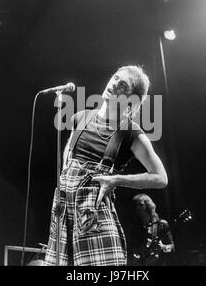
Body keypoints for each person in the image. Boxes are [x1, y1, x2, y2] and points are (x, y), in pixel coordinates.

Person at [43, 65, 168, 266]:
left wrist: (116, 180)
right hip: (63, 210)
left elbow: (161, 178)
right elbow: (68, 156)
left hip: (94, 214)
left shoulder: (131, 133)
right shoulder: (81, 118)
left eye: (123, 85)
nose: (115, 83)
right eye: (115, 77)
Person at [128, 193, 175, 266]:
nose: (137, 208)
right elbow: (131, 248)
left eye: (141, 205)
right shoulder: (135, 227)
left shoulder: (161, 224)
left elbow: (172, 247)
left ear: (148, 206)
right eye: (136, 206)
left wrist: (163, 247)